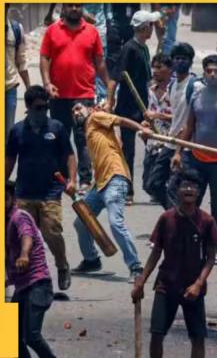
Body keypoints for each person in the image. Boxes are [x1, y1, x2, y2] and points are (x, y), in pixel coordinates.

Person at [131, 170, 217, 358]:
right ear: (177, 191)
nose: (189, 189)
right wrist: (142, 280)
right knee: (156, 334)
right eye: (184, 186)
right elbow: (156, 252)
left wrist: (198, 284)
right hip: (166, 285)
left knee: (198, 337)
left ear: (199, 192)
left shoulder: (207, 221)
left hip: (192, 287)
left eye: (193, 186)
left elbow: (210, 258)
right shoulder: (166, 219)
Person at [171, 55, 217, 262]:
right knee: (190, 200)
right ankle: (188, 241)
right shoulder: (197, 96)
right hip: (197, 157)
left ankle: (216, 246)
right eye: (209, 71)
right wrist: (178, 152)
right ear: (204, 73)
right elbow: (189, 126)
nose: (213, 74)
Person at [70, 103, 152, 282]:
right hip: (99, 184)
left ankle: (136, 267)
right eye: (73, 112)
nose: (76, 113)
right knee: (81, 222)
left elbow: (120, 120)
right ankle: (91, 260)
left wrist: (140, 129)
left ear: (89, 109)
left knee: (116, 223)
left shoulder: (95, 117)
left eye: (78, 108)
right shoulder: (88, 130)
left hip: (115, 177)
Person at [6, 85, 76, 291]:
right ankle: (21, 278)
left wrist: (72, 180)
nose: (42, 111)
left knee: (52, 232)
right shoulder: (17, 130)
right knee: (20, 236)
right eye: (38, 108)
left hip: (51, 191)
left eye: (45, 107)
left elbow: (69, 155)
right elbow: (10, 159)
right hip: (24, 192)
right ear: (28, 107)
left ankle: (62, 266)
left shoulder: (56, 128)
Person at [40, 3, 110, 194]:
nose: (74, 8)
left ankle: (85, 179)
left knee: (83, 139)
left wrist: (109, 87)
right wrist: (47, 83)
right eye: (70, 5)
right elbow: (45, 57)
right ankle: (63, 178)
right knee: (59, 138)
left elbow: (99, 61)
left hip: (84, 95)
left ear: (82, 9)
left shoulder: (92, 31)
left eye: (77, 5)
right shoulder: (52, 31)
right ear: (63, 8)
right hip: (58, 95)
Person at [106, 10, 160, 203]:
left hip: (145, 105)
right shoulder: (129, 48)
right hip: (129, 107)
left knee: (155, 146)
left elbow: (147, 77)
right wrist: (110, 102)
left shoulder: (144, 48)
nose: (154, 28)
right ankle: (128, 191)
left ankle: (156, 185)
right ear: (144, 27)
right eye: (151, 25)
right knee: (128, 150)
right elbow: (115, 76)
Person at [6, 181, 57, 358]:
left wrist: (24, 255)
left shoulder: (19, 216)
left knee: (32, 336)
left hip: (37, 283)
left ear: (12, 199)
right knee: (8, 338)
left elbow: (26, 235)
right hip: (21, 286)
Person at [150, 42, 202, 209]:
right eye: (177, 58)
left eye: (184, 59)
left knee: (174, 187)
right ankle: (175, 216)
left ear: (190, 62)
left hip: (185, 147)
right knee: (154, 183)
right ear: (172, 62)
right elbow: (177, 116)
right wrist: (155, 120)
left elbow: (193, 120)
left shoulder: (195, 86)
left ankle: (177, 222)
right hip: (170, 142)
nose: (180, 62)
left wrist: (179, 151)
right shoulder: (172, 86)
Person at [142, 54, 174, 204]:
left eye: (159, 67)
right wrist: (145, 123)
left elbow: (180, 117)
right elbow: (149, 112)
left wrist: (158, 115)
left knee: (157, 182)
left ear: (170, 69)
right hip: (153, 142)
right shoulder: (151, 90)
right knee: (147, 184)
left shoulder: (175, 91)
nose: (155, 71)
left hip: (169, 141)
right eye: (153, 67)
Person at [5, 3, 30, 140]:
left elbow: (21, 61)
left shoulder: (15, 29)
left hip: (9, 89)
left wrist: (29, 89)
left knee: (8, 133)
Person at [105, 3, 141, 76]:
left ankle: (130, 79)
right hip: (115, 20)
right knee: (113, 55)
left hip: (132, 19)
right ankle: (113, 79)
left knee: (132, 53)